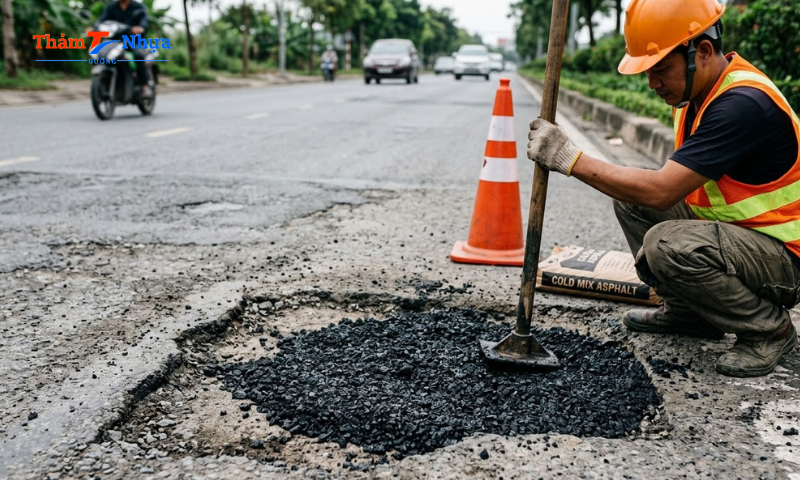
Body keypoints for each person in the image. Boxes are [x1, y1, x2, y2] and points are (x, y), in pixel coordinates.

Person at [526, 0, 800, 377]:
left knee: (667, 246)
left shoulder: (742, 105)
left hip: (784, 259)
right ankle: (691, 313)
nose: (652, 83)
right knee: (630, 202)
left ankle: (770, 330)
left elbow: (661, 191)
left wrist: (569, 158)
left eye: (661, 69)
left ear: (702, 52)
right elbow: (654, 192)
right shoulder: (698, 93)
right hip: (744, 239)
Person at [97, 0, 152, 98]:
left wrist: (140, 28)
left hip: (133, 40)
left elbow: (144, 21)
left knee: (138, 55)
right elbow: (102, 20)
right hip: (116, 41)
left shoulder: (138, 7)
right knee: (102, 53)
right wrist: (94, 27)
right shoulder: (111, 7)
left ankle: (144, 86)